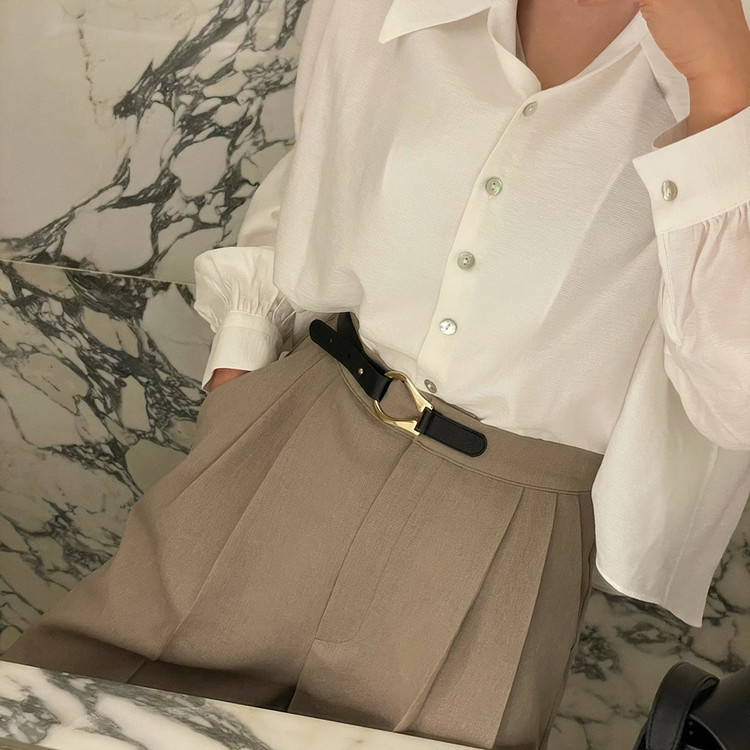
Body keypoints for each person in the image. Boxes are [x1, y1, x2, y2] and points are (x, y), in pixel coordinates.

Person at [6, 0, 750, 748]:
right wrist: (242, 362)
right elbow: (324, 161)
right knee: (67, 718)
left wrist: (723, 91)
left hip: (503, 522)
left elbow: (735, 408)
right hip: (297, 432)